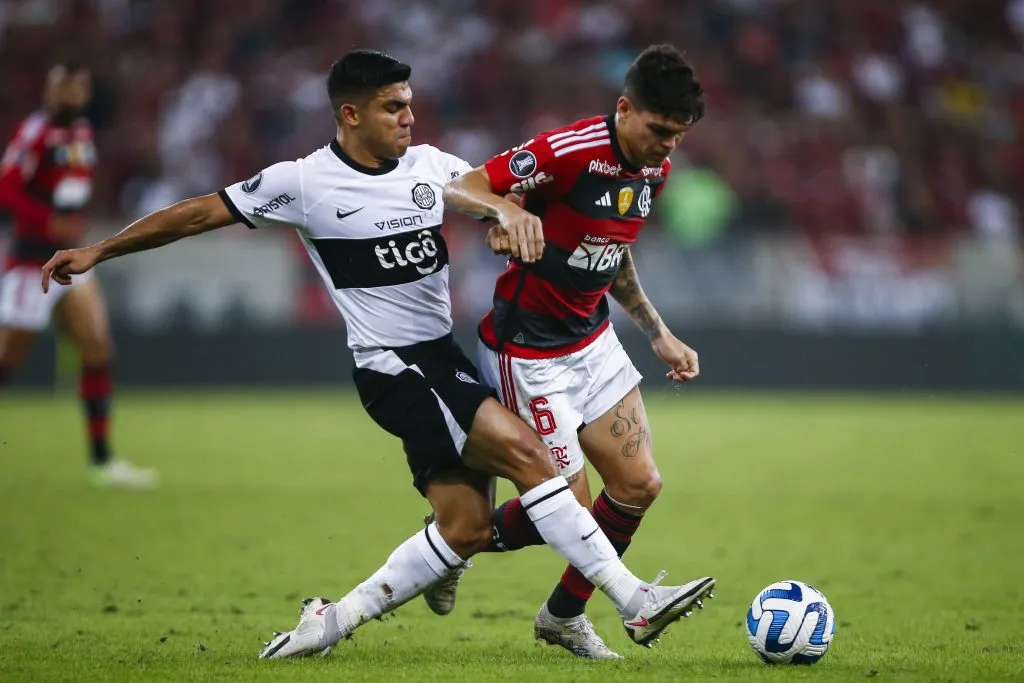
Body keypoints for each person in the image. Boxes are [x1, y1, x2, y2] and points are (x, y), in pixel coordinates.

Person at [40, 50, 715, 660]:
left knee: (466, 526)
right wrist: (101, 249)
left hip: (442, 357)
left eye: (411, 104)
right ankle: (633, 599)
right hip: (393, 366)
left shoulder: (431, 167)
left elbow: (483, 192)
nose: (409, 117)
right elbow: (198, 213)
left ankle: (329, 620)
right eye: (394, 106)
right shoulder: (302, 183)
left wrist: (507, 221)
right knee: (533, 458)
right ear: (351, 113)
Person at [442, 44, 708, 659]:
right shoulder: (569, 150)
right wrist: (505, 207)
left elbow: (609, 250)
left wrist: (655, 329)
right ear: (624, 108)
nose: (668, 146)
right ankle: (454, 538)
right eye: (659, 130)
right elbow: (462, 188)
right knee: (567, 510)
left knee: (640, 485)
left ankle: (562, 616)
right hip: (529, 353)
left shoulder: (653, 169)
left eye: (679, 135)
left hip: (594, 341)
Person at [0, 61, 157, 489]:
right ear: (48, 91)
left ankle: (102, 462)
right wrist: (45, 217)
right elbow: (7, 186)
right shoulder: (34, 133)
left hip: (69, 259)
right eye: (62, 87)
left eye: (76, 87)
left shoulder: (82, 132)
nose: (69, 95)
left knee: (97, 350)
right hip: (32, 263)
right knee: (7, 362)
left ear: (86, 93)